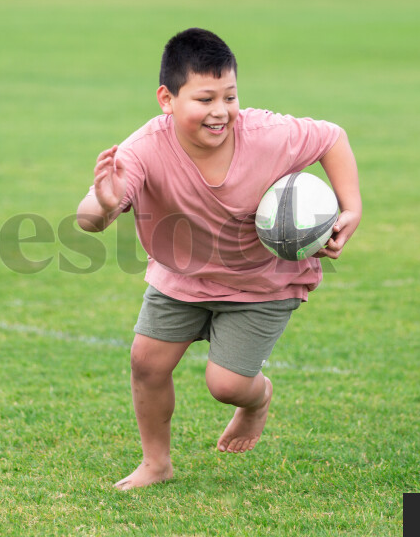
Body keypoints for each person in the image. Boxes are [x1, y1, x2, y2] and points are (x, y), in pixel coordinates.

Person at [76, 28, 361, 490]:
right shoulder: (143, 150)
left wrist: (352, 209)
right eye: (205, 99)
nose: (220, 111)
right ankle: (156, 463)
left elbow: (332, 138)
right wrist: (105, 205)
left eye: (229, 97)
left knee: (225, 386)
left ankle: (257, 399)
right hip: (181, 277)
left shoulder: (268, 135)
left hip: (261, 283)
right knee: (146, 362)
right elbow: (88, 218)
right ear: (167, 99)